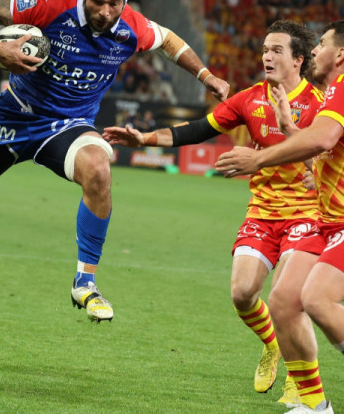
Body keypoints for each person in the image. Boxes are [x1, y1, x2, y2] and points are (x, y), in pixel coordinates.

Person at [0, 0, 229, 322]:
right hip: (14, 114)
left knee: (99, 169)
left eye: (114, 4)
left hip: (68, 125)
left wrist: (205, 76)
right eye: (97, 2)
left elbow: (169, 39)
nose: (105, 12)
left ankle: (85, 281)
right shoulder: (52, 3)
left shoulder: (132, 27)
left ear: (125, 2)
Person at [103, 20, 322, 403]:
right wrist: (146, 138)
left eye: (277, 51)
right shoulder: (251, 98)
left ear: (298, 60)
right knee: (241, 293)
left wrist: (310, 172)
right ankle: (272, 346)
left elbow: (328, 157)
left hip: (307, 213)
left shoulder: (320, 105)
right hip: (263, 211)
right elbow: (196, 130)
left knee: (286, 300)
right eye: (265, 49)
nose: (267, 57)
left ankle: (300, 382)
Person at [215, 21, 344, 414]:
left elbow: (322, 139)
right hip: (333, 221)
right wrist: (289, 127)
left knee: (317, 298)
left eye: (321, 44)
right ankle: (314, 406)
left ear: (341, 55)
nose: (315, 51)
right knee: (284, 302)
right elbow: (326, 149)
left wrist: (258, 158)